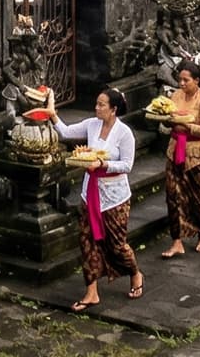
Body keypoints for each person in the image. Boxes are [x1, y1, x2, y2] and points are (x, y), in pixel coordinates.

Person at [55, 89, 143, 309]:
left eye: (102, 105)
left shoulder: (124, 133)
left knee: (117, 244)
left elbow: (127, 165)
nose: (97, 108)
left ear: (113, 109)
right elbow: (65, 132)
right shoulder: (92, 125)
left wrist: (103, 165)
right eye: (96, 104)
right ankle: (91, 291)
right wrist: (51, 114)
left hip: (115, 196)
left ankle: (134, 272)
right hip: (90, 192)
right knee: (87, 242)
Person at [160, 58, 200, 259]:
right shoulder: (176, 95)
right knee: (172, 195)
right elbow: (169, 119)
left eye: (186, 81)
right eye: (180, 80)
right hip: (175, 149)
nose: (182, 84)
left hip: (198, 153)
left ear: (197, 81)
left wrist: (187, 125)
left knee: (197, 195)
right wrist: (166, 120)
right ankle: (177, 240)